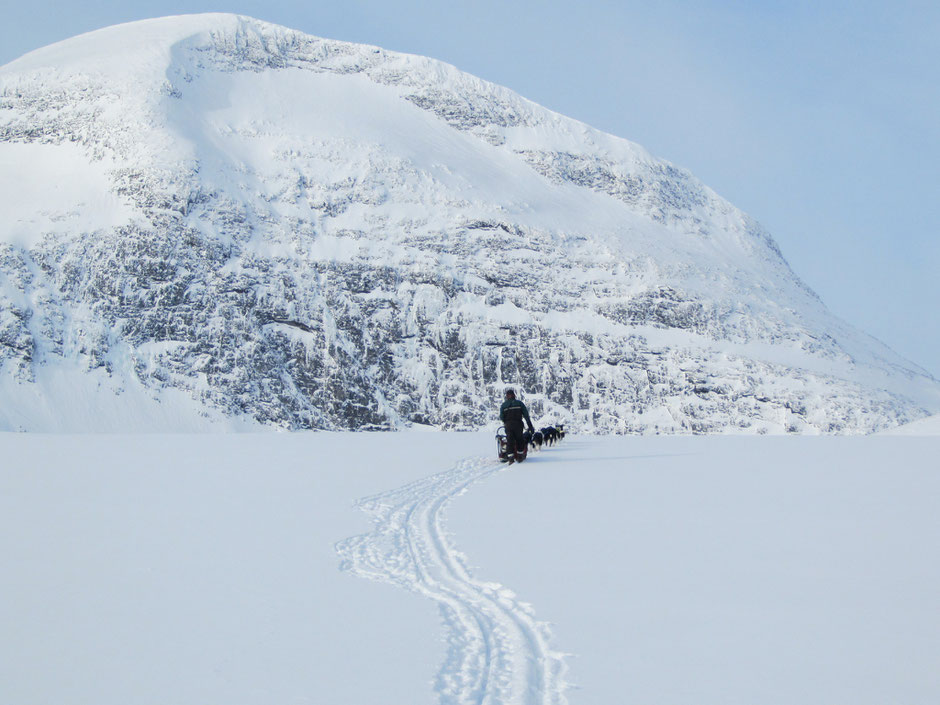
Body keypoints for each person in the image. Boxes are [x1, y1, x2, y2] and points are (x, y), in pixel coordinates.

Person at [499, 388, 535, 464]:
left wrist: (506, 422)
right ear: (514, 395)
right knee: (520, 439)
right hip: (518, 424)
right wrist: (530, 427)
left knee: (509, 440)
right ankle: (520, 456)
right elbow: (526, 415)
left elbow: (501, 417)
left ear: (507, 396)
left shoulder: (504, 405)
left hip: (508, 425)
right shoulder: (520, 404)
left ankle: (511, 458)